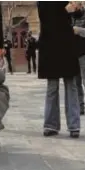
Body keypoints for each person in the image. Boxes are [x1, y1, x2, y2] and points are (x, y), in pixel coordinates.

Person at [37, 2, 80, 138]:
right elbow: (45, 18)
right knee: (52, 86)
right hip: (50, 44)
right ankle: (50, 124)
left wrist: (78, 8)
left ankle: (74, 126)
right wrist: (65, 11)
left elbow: (77, 14)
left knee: (71, 85)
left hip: (67, 44)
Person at [72, 2, 85, 115]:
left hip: (83, 53)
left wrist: (79, 30)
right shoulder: (69, 17)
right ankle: (80, 106)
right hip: (72, 54)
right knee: (76, 83)